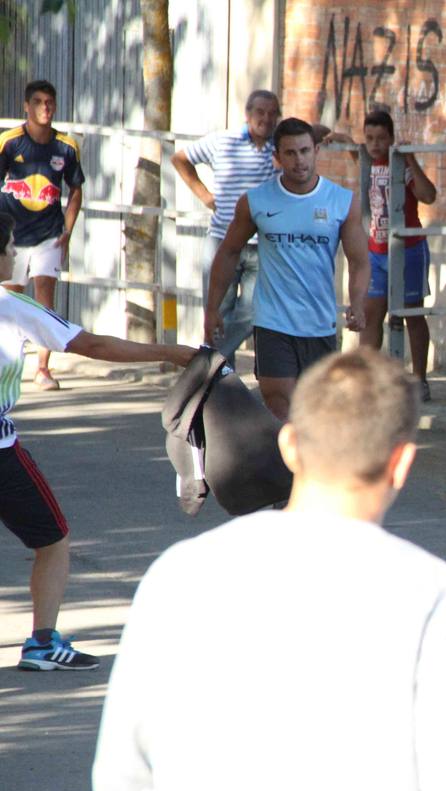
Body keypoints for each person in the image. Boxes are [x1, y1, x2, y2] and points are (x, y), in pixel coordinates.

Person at [92, 348, 446, 791]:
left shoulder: (178, 574)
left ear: (290, 444)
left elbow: (120, 780)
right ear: (401, 463)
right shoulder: (432, 594)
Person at [0, 211, 196, 671]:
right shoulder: (11, 307)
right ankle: (43, 643)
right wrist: (170, 352)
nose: (13, 254)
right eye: (7, 247)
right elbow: (96, 347)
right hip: (2, 452)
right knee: (53, 538)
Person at [205, 117, 369, 420]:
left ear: (317, 150)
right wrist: (212, 308)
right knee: (282, 408)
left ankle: (308, 466)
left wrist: (357, 302)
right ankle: (287, 467)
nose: (299, 160)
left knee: (318, 414)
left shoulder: (342, 202)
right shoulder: (255, 201)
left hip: (320, 325)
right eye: (290, 153)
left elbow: (359, 260)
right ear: (277, 158)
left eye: (305, 151)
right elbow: (228, 252)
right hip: (273, 324)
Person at [325, 110, 438, 401]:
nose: (375, 144)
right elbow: (356, 156)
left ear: (392, 138)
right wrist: (345, 140)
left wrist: (410, 157)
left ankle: (419, 380)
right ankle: (367, 381)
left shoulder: (402, 166)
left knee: (412, 314)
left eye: (382, 138)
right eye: (370, 138)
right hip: (375, 252)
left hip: (408, 249)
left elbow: (428, 195)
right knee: (372, 315)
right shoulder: (368, 163)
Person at [172, 89, 280, 368]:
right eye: (261, 112)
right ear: (248, 114)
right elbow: (180, 158)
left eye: (273, 113)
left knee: (254, 311)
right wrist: (205, 195)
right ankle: (219, 378)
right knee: (219, 310)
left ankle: (210, 361)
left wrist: (332, 135)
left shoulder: (280, 146)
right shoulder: (223, 141)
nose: (266, 119)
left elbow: (312, 134)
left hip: (262, 245)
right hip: (222, 240)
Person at [0, 79, 85, 391]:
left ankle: (43, 368)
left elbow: (76, 190)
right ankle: (11, 364)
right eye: (38, 102)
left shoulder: (66, 146)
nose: (45, 108)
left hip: (49, 234)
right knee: (11, 299)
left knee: (44, 299)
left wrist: (68, 228)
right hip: (12, 236)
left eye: (49, 102)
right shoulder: (9, 142)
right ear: (26, 106)